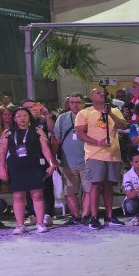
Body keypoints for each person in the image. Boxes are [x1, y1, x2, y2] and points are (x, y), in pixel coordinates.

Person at [74, 88, 128, 229]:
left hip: (113, 154)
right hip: (94, 154)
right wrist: (98, 142)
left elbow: (123, 126)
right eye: (98, 93)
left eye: (103, 93)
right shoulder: (84, 113)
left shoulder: (114, 110)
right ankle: (94, 217)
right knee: (96, 185)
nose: (102, 94)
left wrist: (111, 114)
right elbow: (80, 134)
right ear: (91, 97)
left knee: (109, 186)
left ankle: (109, 216)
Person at [0, 107, 57, 234]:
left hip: (34, 166)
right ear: (14, 119)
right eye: (19, 116)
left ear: (29, 117)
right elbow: (2, 152)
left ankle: (40, 223)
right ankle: (20, 225)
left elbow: (45, 149)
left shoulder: (37, 130)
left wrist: (51, 164)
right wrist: (2, 168)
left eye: (25, 115)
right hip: (16, 167)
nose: (22, 118)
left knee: (37, 195)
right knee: (18, 196)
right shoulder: (8, 133)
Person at [51, 94, 91, 225]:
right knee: (70, 191)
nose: (75, 105)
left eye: (78, 102)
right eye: (72, 102)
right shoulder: (62, 118)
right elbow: (56, 139)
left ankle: (85, 215)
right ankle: (75, 216)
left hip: (88, 160)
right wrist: (53, 158)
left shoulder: (90, 116)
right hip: (68, 162)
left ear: (83, 104)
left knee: (89, 190)